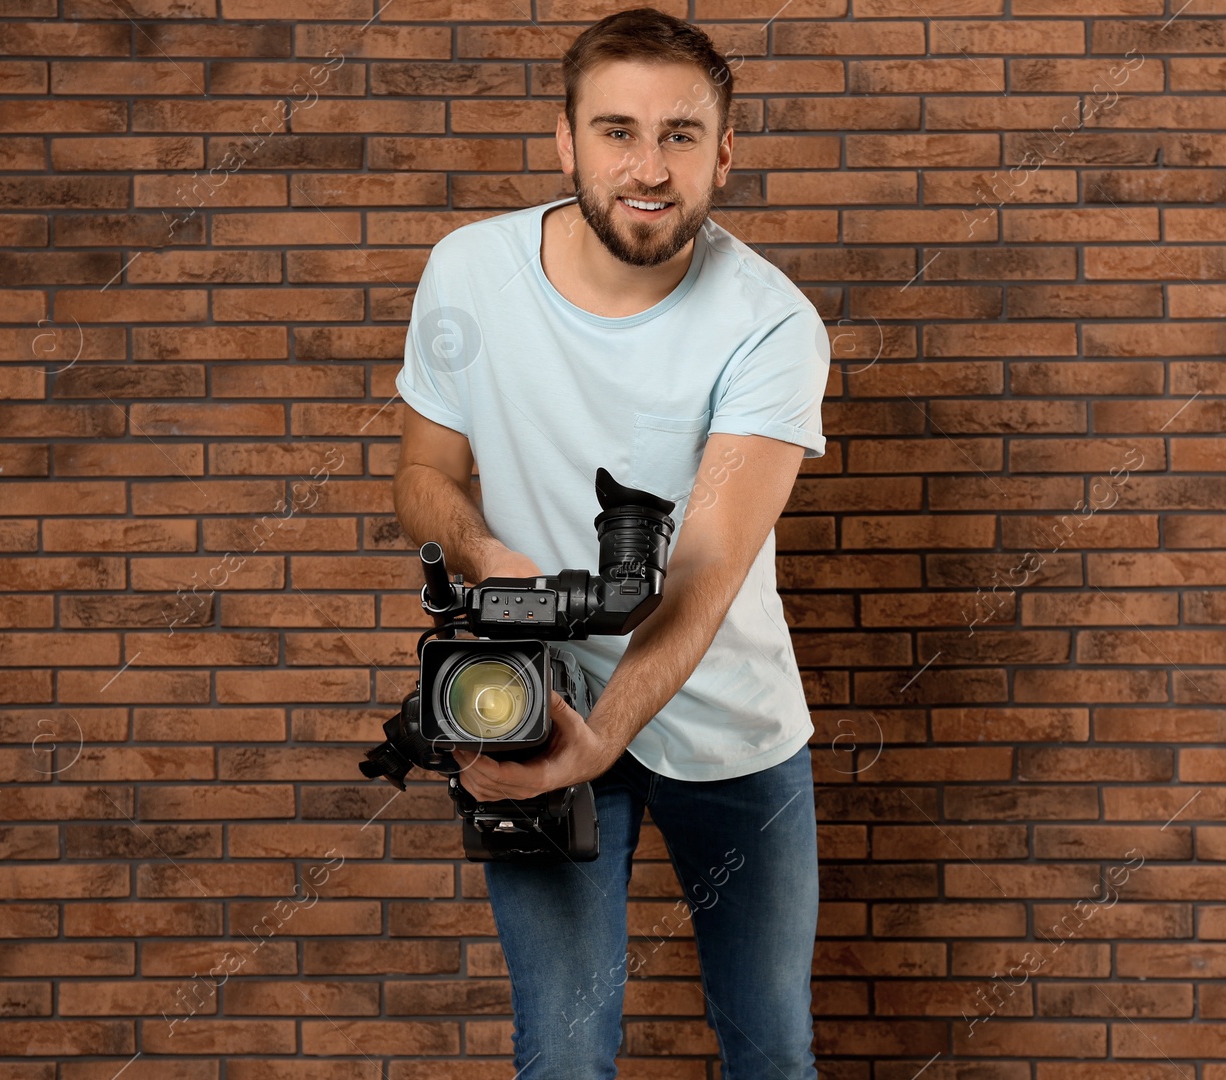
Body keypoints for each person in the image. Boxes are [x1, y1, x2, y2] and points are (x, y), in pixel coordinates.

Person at [390, 8, 831, 1078]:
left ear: (724, 152)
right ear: (565, 142)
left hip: (729, 716)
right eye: (617, 131)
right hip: (534, 705)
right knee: (563, 1054)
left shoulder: (771, 324)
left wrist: (609, 731)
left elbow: (710, 560)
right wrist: (481, 555)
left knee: (770, 1050)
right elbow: (425, 476)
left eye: (680, 135)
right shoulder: (468, 274)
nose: (647, 167)